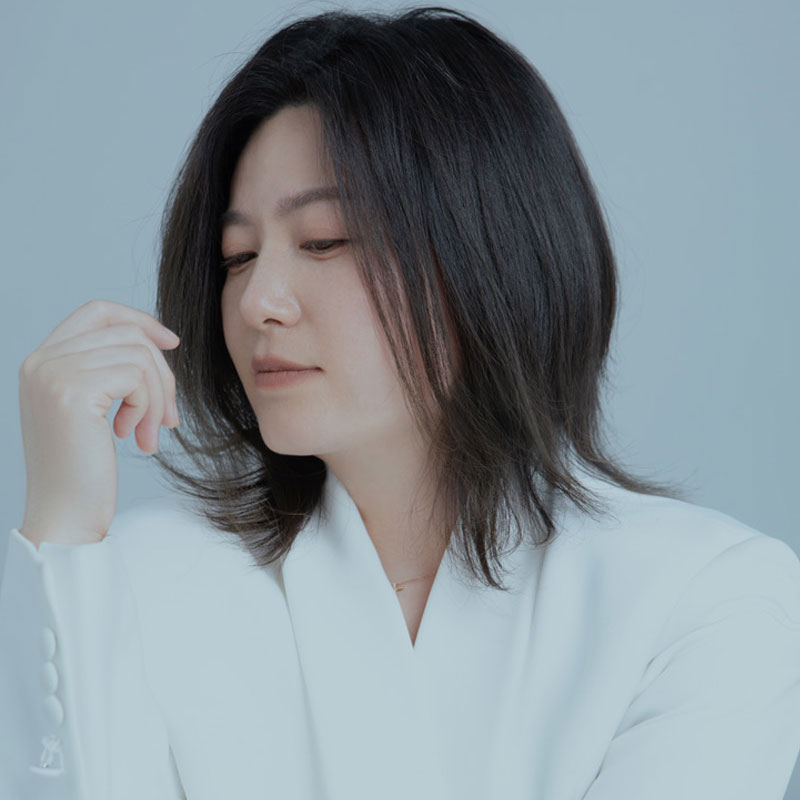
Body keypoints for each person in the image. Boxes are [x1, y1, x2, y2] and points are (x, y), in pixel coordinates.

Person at [2, 6, 799, 800]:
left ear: (488, 249)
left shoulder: (706, 598)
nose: (258, 302)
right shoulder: (135, 581)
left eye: (323, 240)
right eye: (237, 256)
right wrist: (61, 525)